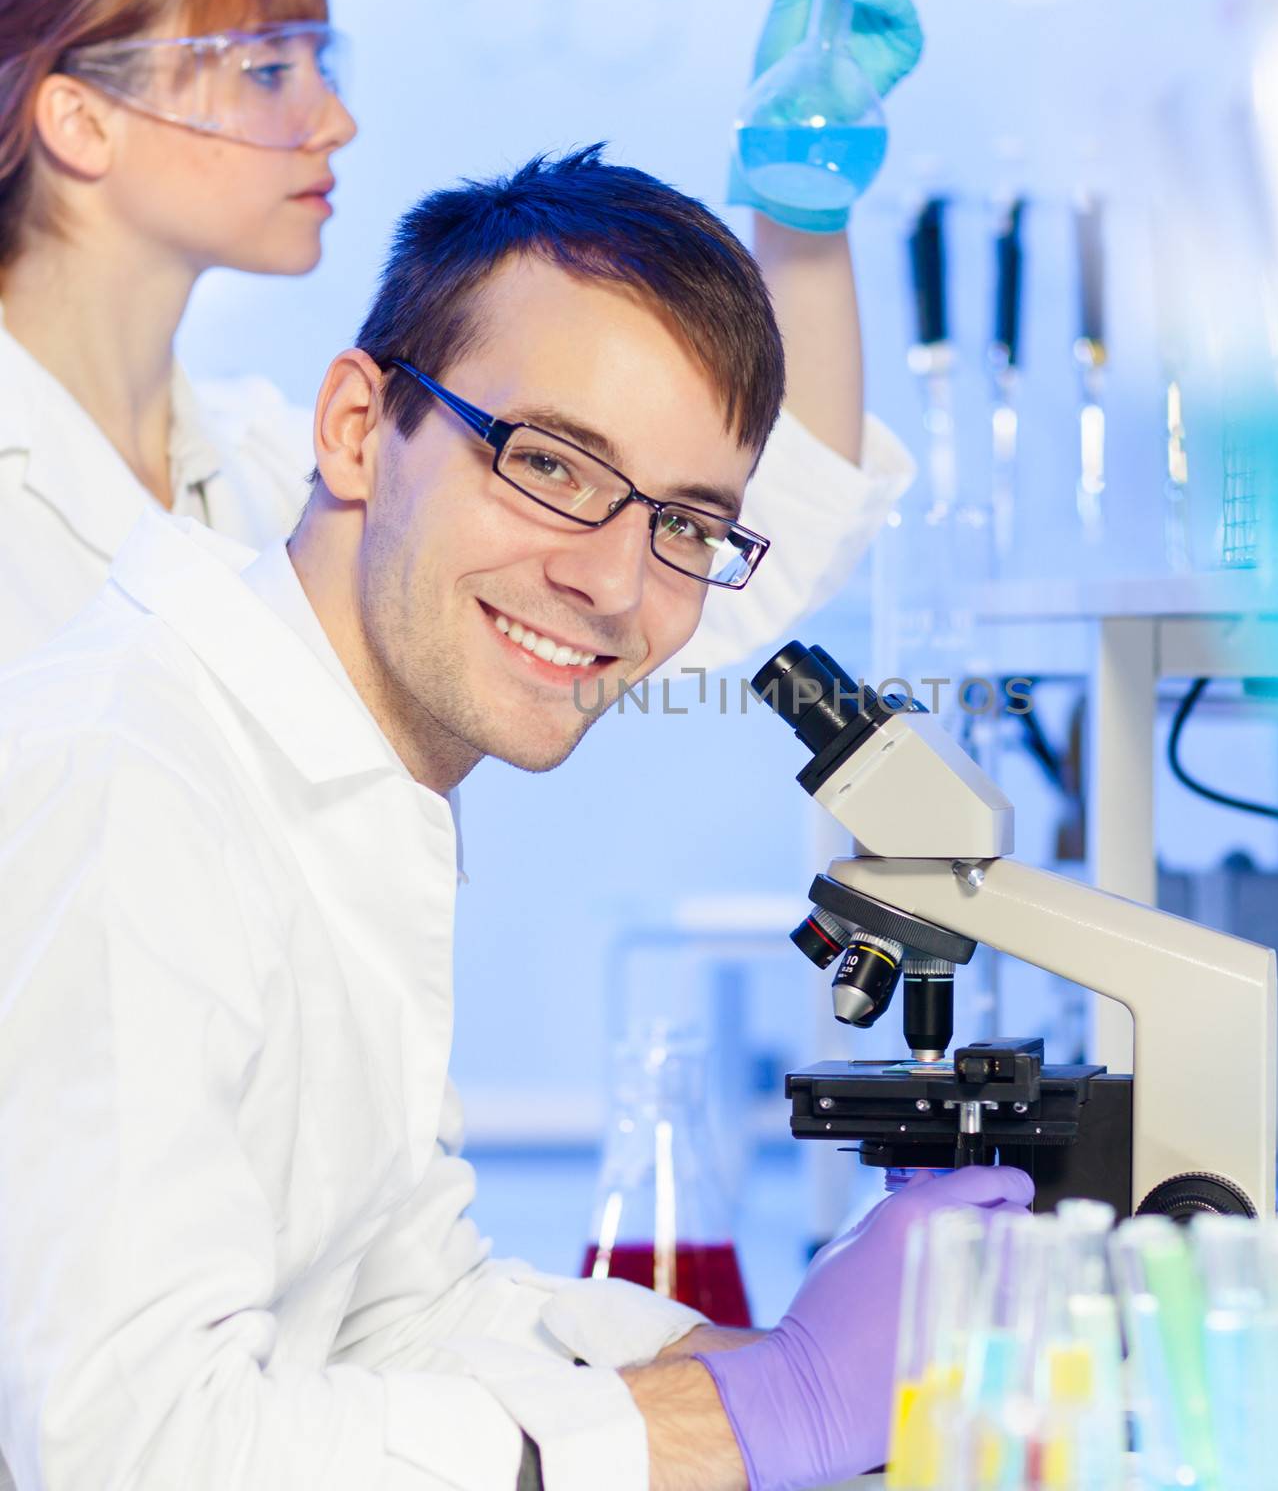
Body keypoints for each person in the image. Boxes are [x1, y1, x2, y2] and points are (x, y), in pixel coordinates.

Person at [0, 148, 1030, 1491]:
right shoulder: (127, 778)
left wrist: (778, 1364)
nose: (611, 580)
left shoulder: (352, 786)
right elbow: (125, 1447)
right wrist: (762, 1409)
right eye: (550, 464)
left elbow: (402, 1310)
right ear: (359, 431)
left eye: (686, 526)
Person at [0, 0, 916, 669]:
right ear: (81, 121)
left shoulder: (262, 465)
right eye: (267, 69)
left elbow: (696, 558)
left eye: (323, 64)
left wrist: (799, 192)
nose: (336, 120)